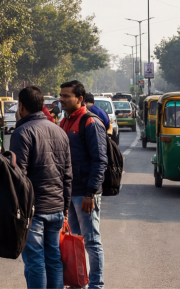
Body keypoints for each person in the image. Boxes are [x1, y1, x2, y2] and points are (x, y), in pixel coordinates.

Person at [10, 86, 72, 289]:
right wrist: (65, 207)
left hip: (34, 210)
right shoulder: (59, 131)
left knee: (35, 261)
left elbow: (19, 176)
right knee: (53, 257)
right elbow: (67, 174)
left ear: (21, 106)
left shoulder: (22, 132)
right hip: (56, 207)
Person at [59, 80, 108, 289]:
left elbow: (100, 160)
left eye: (66, 96)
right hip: (70, 193)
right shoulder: (64, 122)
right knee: (76, 241)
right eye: (61, 95)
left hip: (85, 194)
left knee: (91, 241)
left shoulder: (90, 122)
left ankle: (96, 285)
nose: (61, 100)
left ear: (79, 99)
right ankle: (80, 283)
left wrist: (91, 192)